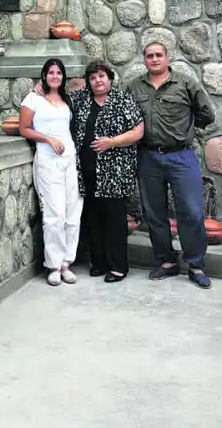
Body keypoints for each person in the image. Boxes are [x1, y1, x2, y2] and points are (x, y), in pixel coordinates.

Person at [34, 60, 144, 283]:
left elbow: (138, 131)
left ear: (110, 78)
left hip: (114, 172)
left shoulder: (123, 99)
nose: (97, 81)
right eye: (93, 78)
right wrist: (39, 89)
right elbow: (56, 99)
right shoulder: (80, 99)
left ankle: (118, 267)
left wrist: (112, 142)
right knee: (92, 218)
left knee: (114, 219)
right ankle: (98, 262)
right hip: (85, 171)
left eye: (101, 76)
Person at [127, 42, 216, 289]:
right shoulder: (134, 87)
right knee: (154, 213)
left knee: (191, 211)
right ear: (144, 59)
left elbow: (207, 114)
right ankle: (166, 261)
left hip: (181, 157)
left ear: (168, 58)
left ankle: (195, 265)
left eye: (159, 55)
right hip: (148, 157)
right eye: (149, 56)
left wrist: (185, 130)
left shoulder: (186, 84)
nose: (154, 59)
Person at [20, 58, 82, 287]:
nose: (55, 76)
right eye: (51, 72)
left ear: (63, 76)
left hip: (69, 159)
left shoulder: (67, 99)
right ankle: (54, 265)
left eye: (59, 73)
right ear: (44, 75)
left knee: (73, 212)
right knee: (54, 214)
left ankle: (67, 263)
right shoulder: (33, 98)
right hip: (48, 160)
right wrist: (47, 139)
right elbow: (24, 128)